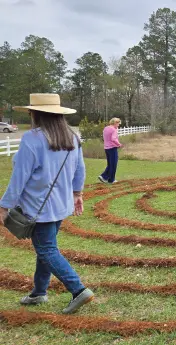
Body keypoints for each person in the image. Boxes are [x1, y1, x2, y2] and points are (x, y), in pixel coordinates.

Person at [0, 93, 94, 314]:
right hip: (60, 206)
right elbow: (80, 169)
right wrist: (77, 193)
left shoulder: (32, 139)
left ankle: (78, 290)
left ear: (36, 114)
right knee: (46, 249)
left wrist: (4, 206)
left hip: (37, 208)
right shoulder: (72, 137)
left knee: (46, 249)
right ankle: (39, 292)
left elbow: (19, 177)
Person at [98, 118, 122, 184]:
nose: (118, 125)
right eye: (118, 124)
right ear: (115, 123)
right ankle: (105, 177)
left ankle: (109, 179)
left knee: (110, 164)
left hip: (106, 148)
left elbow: (105, 138)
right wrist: (119, 144)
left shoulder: (106, 128)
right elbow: (113, 139)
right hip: (112, 148)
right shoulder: (114, 130)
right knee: (113, 164)